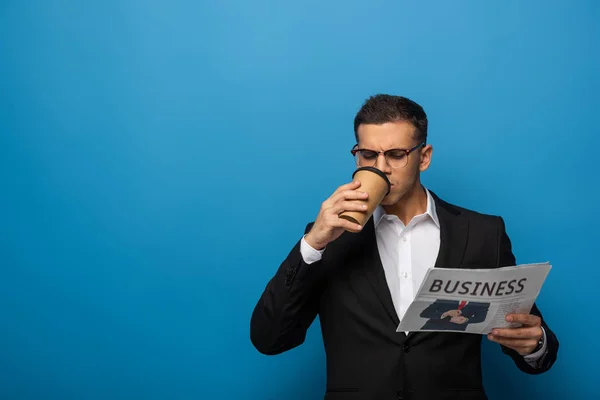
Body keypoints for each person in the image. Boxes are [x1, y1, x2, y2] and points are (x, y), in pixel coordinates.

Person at [250, 94, 559, 400]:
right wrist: (313, 243)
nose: (381, 168)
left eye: (396, 154)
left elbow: (527, 334)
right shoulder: (331, 237)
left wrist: (535, 343)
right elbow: (270, 339)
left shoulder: (482, 233)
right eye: (368, 155)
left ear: (423, 157)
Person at [419, 300, 490, 332]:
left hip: (455, 336)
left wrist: (466, 320)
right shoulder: (445, 296)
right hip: (430, 331)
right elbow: (425, 313)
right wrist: (446, 314)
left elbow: (481, 318)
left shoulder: (482, 301)